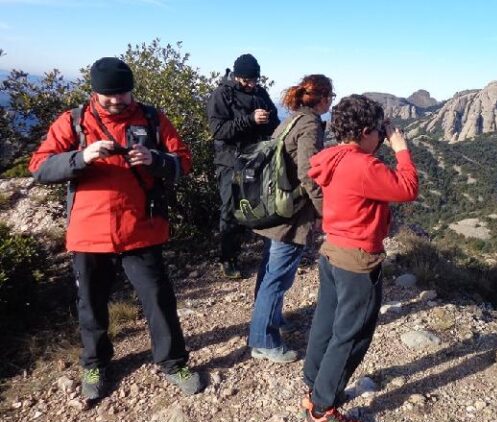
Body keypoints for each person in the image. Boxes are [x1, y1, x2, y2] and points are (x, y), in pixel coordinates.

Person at [28, 57, 202, 400]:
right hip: (89, 232)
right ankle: (95, 363)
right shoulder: (74, 122)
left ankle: (173, 362)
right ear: (94, 91)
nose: (116, 101)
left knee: (158, 299)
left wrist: (157, 161)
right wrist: (82, 157)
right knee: (91, 303)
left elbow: (184, 161)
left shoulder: (152, 118)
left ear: (131, 89)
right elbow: (39, 167)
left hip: (141, 228)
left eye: (122, 93)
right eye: (108, 95)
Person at [301, 95, 419, 422]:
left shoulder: (333, 157)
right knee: (352, 335)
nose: (381, 138)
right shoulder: (363, 165)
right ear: (366, 131)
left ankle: (313, 385)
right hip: (358, 259)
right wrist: (400, 149)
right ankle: (322, 409)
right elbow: (408, 188)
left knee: (326, 322)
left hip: (332, 250)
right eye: (377, 133)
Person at [247, 74, 334, 363]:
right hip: (291, 213)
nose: (331, 102)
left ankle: (269, 318)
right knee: (279, 277)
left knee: (270, 269)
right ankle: (263, 340)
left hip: (274, 205)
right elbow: (309, 174)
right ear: (321, 98)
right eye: (330, 97)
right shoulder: (309, 123)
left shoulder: (293, 118)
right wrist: (325, 209)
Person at [207, 54, 279, 278]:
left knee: (255, 205)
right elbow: (218, 131)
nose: (252, 84)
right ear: (237, 77)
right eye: (247, 80)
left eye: (255, 80)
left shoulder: (260, 94)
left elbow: (274, 123)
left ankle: (258, 249)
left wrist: (268, 122)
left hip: (255, 159)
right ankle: (228, 259)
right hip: (230, 161)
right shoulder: (222, 94)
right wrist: (249, 120)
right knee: (230, 209)